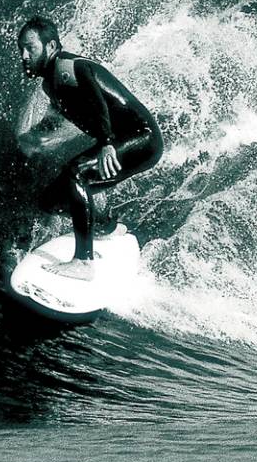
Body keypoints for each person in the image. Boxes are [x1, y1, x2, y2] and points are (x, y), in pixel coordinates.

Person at [16, 16, 163, 279]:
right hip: (125, 141)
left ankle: (84, 263)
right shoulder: (52, 83)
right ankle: (107, 228)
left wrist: (106, 143)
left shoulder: (66, 68)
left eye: (31, 48)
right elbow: (57, 117)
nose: (24, 56)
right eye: (21, 50)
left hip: (141, 137)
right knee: (50, 201)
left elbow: (96, 99)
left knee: (76, 174)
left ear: (50, 47)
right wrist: (33, 139)